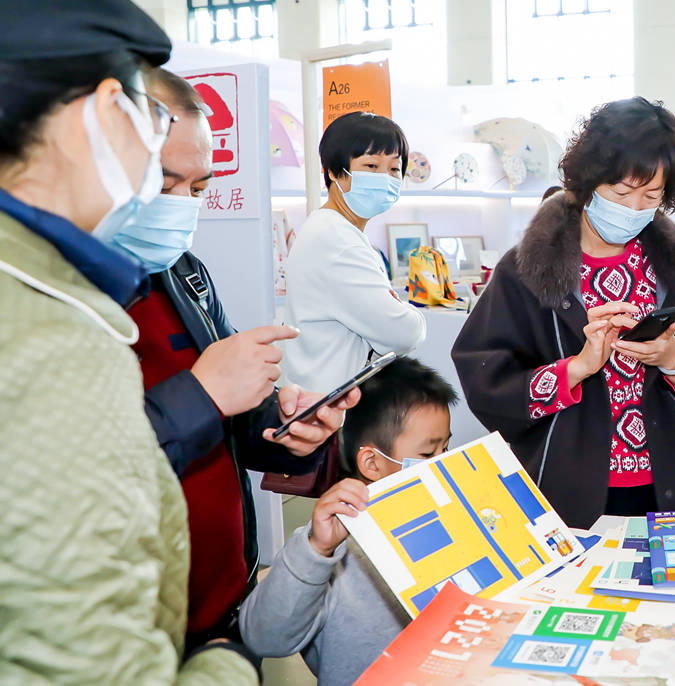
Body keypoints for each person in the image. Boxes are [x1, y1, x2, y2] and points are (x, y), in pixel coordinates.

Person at [0, 2, 257, 683]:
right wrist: (232, 669)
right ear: (107, 108)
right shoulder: (55, 330)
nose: (167, 196)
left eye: (196, 186)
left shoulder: (178, 275)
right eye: (150, 132)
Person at [125, 68, 358, 648]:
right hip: (119, 629)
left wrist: (284, 427)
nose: (180, 207)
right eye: (162, 183)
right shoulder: (47, 299)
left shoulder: (185, 274)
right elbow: (66, 465)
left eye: (198, 189)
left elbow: (228, 419)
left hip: (225, 603)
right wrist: (202, 395)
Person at [452, 97, 675, 528]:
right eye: (621, 192)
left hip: (664, 482)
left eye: (651, 196)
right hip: (563, 482)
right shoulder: (527, 270)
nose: (634, 209)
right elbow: (484, 375)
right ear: (587, 181)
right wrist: (577, 368)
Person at [239, 358, 457, 686]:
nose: (443, 464)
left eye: (447, 448)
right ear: (371, 462)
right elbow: (264, 636)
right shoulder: (330, 547)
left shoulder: (452, 526)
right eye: (428, 456)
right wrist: (316, 550)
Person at [282, 111, 426, 393]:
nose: (385, 178)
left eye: (394, 169)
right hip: (328, 408)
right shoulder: (336, 241)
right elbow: (404, 334)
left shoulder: (335, 230)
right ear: (335, 172)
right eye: (371, 166)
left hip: (325, 397)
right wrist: (408, 312)